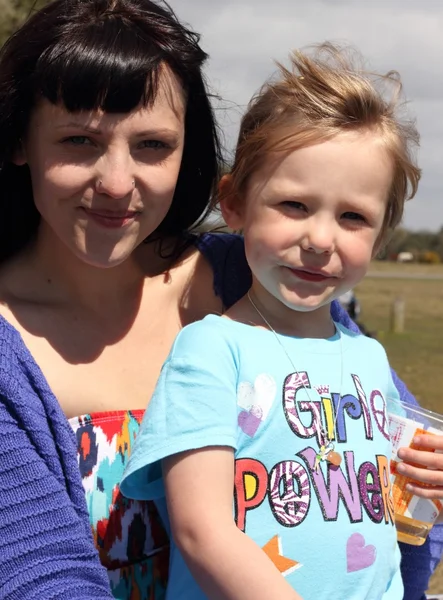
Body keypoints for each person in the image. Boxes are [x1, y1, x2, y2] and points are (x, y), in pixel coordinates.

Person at [0, 0, 440, 597]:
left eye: (153, 145)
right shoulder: (9, 356)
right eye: (79, 139)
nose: (116, 182)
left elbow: (383, 494)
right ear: (20, 139)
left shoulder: (259, 278)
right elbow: (38, 576)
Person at [120, 44, 440, 599]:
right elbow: (203, 530)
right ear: (236, 204)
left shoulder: (370, 359)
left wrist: (428, 481)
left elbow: (384, 511)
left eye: (353, 217)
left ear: (381, 235)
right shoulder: (212, 351)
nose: (320, 239)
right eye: (294, 205)